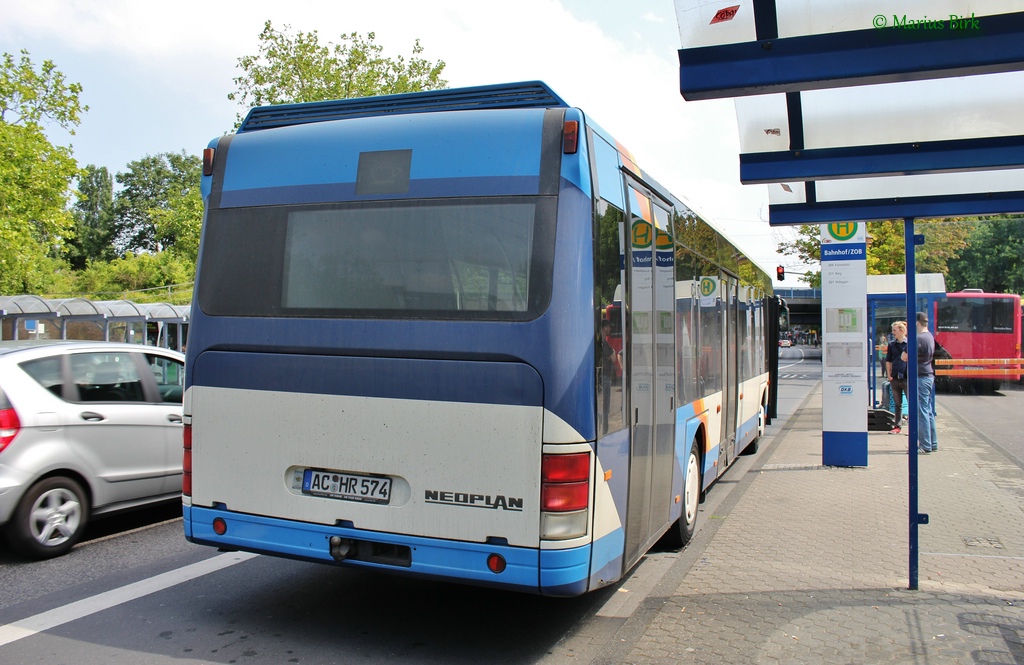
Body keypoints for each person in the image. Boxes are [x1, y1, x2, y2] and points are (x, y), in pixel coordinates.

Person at [904, 311, 937, 454]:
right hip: (928, 376)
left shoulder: (918, 339)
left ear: (917, 322)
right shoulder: (929, 337)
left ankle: (925, 445)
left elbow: (904, 357)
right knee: (928, 410)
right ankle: (932, 442)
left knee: (921, 412)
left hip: (920, 377)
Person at [884, 321, 909, 434]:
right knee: (897, 403)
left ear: (902, 330)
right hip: (895, 377)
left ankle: (913, 427)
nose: (893, 332)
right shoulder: (892, 345)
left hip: (906, 376)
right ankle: (897, 425)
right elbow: (888, 360)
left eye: (895, 330)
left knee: (911, 401)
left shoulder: (909, 344)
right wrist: (889, 375)